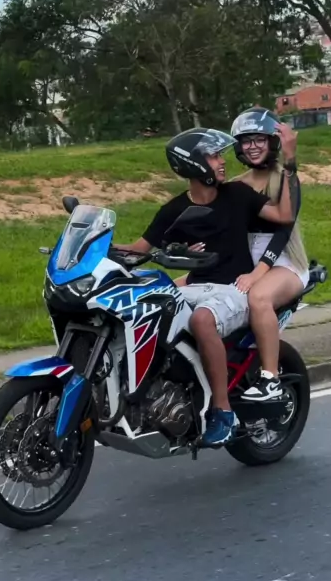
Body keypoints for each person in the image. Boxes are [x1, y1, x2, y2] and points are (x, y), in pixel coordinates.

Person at [115, 128, 294, 447]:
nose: (222, 162)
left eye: (220, 156)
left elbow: (284, 214)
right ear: (193, 163)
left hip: (234, 289)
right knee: (141, 308)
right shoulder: (175, 210)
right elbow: (138, 249)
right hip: (195, 286)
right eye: (214, 156)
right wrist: (94, 247)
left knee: (201, 319)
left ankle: (223, 412)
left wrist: (290, 162)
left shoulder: (238, 194)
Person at [230, 108, 309, 403]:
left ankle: (270, 379)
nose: (252, 146)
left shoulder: (285, 179)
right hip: (247, 260)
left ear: (272, 142)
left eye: (259, 140)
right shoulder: (236, 184)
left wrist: (258, 272)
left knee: (259, 297)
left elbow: (283, 232)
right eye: (246, 140)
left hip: (285, 262)